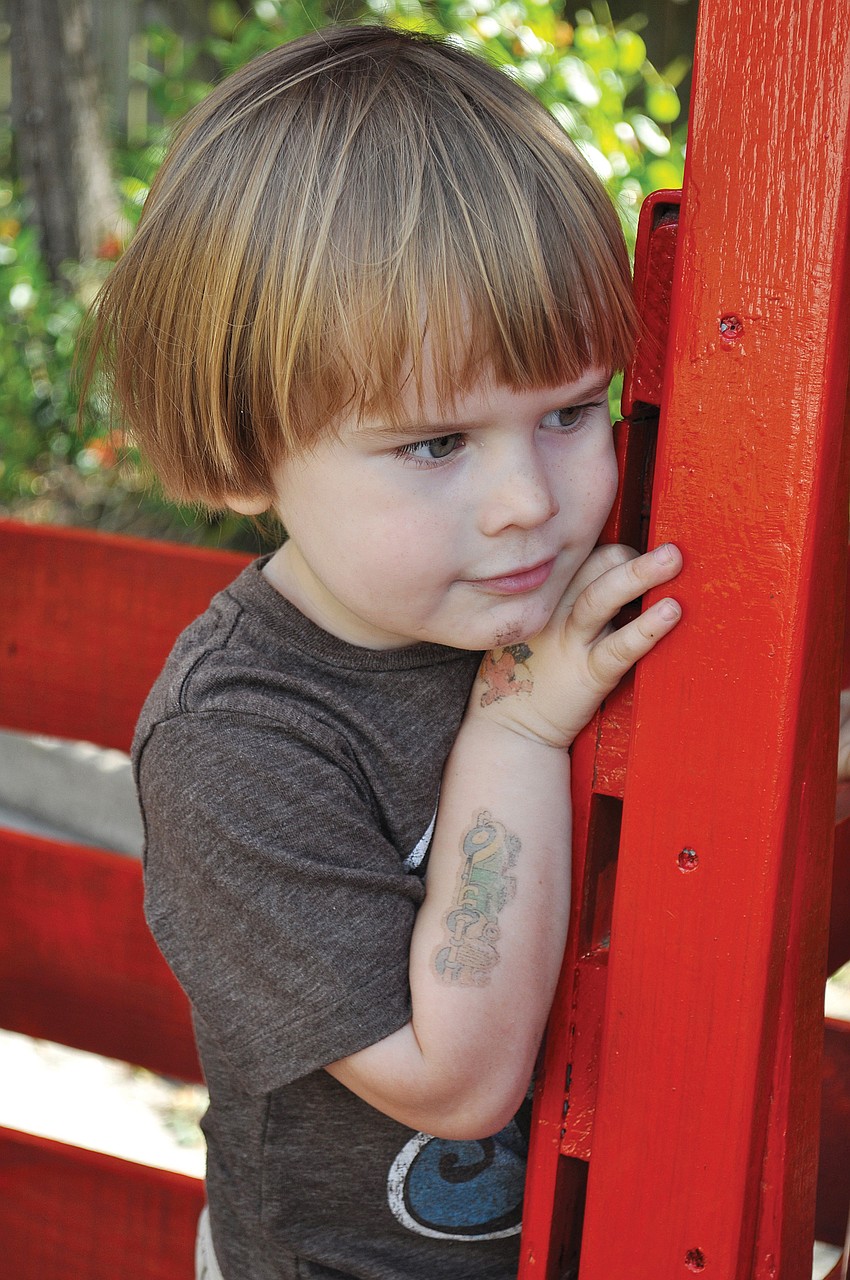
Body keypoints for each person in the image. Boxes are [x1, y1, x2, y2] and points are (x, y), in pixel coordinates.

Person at [84, 24, 684, 1280]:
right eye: (434, 444)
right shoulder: (235, 739)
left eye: (572, 411)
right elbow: (450, 1082)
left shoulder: (567, 579)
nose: (529, 499)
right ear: (246, 453)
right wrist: (516, 729)